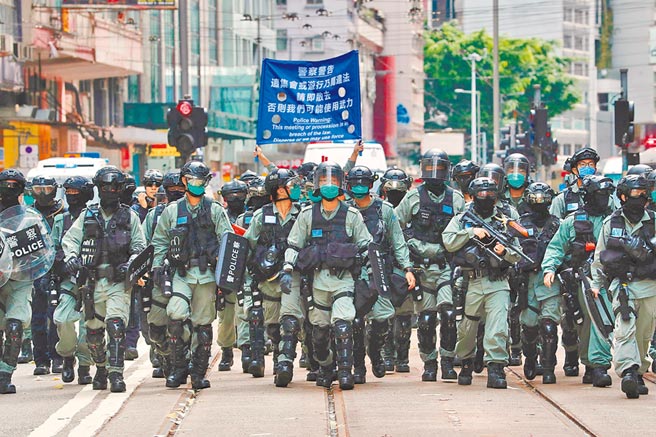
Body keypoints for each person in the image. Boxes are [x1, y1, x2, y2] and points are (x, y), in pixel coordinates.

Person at [284, 161, 372, 390]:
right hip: (317, 282)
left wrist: (371, 275)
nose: (329, 185)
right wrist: (287, 270)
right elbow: (294, 245)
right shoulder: (306, 216)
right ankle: (325, 367)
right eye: (324, 181)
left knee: (343, 325)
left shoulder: (352, 216)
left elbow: (366, 246)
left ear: (341, 185)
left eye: (334, 181)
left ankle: (345, 372)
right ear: (316, 185)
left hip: (344, 280)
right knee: (319, 333)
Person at [61, 166, 147, 393]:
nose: (110, 191)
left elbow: (140, 246)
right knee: (93, 332)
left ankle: (116, 374)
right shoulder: (87, 215)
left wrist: (132, 263)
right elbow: (70, 240)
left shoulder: (130, 216)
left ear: (120, 190)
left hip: (119, 282)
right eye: (105, 187)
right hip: (92, 283)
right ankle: (100, 367)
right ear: (98, 189)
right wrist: (70, 257)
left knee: (116, 325)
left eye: (114, 187)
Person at [151, 161, 232, 390]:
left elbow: (227, 242)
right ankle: (178, 368)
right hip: (181, 274)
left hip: (206, 276)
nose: (195, 184)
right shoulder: (172, 211)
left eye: (200, 181)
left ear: (206, 183)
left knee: (203, 326)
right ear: (184, 182)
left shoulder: (215, 210)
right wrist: (157, 268)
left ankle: (198, 373)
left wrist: (226, 278)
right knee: (175, 315)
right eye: (191, 180)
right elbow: (159, 242)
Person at [443, 177, 524, 389]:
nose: (486, 198)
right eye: (481, 194)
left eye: (490, 194)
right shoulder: (462, 219)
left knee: (498, 326)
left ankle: (496, 368)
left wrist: (504, 251)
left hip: (498, 281)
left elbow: (518, 253)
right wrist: (472, 232)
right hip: (472, 281)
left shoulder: (505, 220)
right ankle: (467, 362)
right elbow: (449, 241)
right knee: (467, 328)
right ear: (472, 195)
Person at [396, 149, 466, 381]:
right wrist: (408, 248)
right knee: (426, 320)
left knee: (447, 314)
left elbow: (465, 231)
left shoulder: (455, 199)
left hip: (446, 266)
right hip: (420, 269)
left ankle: (447, 361)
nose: (434, 172)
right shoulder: (413, 197)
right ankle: (429, 363)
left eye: (440, 167)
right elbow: (395, 226)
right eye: (430, 166)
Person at [542, 175, 615, 387]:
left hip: (609, 278)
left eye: (606, 195)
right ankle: (590, 364)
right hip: (581, 279)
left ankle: (600, 365)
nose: (603, 199)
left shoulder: (614, 219)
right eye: (598, 194)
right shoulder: (572, 221)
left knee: (601, 316)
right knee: (585, 323)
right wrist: (549, 269)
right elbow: (556, 247)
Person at [345, 165, 415, 384]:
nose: (359, 188)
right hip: (354, 273)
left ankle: (375, 354)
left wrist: (407, 269)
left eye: (363, 183)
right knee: (354, 321)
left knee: (382, 320)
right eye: (354, 184)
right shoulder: (344, 210)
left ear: (371, 184)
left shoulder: (385, 210)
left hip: (379, 272)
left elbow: (398, 242)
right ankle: (358, 366)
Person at [590, 174, 656, 399]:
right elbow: (599, 256)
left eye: (642, 194)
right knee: (625, 327)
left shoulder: (654, 221)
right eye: (634, 194)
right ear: (622, 196)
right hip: (623, 284)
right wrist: (596, 284)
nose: (638, 199)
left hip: (650, 286)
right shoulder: (611, 223)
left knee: (644, 334)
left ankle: (638, 371)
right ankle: (628, 371)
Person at [242, 168, 304, 386]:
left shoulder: (303, 213)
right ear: (279, 190)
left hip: (292, 275)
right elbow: (247, 246)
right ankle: (278, 357)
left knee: (290, 318)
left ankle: (286, 361)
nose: (296, 189)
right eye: (292, 185)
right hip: (267, 279)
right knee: (273, 324)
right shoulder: (261, 215)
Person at [514, 182, 561, 384]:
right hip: (528, 283)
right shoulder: (519, 224)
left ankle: (549, 367)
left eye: (543, 200)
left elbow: (565, 248)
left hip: (551, 281)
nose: (539, 204)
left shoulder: (558, 224)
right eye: (535, 200)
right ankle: (530, 358)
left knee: (549, 326)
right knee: (529, 326)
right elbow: (510, 249)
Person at [53, 176, 95, 385]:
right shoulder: (61, 220)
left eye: (75, 193)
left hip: (93, 281)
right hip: (69, 280)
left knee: (90, 326)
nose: (71, 197)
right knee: (63, 319)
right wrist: (64, 263)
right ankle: (67, 356)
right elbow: (52, 250)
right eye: (68, 193)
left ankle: (85, 365)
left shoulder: (95, 217)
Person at [143, 170, 185, 379]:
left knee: (185, 326)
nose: (176, 192)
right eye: (172, 190)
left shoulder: (195, 211)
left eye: (180, 189)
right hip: (159, 277)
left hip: (188, 274)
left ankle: (182, 364)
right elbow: (143, 247)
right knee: (156, 330)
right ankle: (164, 355)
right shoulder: (154, 216)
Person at [0, 169, 35, 394]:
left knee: (15, 326)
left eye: (14, 185)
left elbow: (41, 251)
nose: (9, 190)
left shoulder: (30, 219)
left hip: (20, 279)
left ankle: (5, 374)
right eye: (5, 185)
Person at [30, 176, 65, 376]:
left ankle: (58, 356)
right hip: (34, 270)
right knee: (38, 317)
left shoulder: (62, 213)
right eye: (38, 188)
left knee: (58, 316)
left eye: (47, 188)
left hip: (58, 269)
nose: (43, 192)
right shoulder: (28, 215)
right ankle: (41, 360)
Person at [550, 148, 605, 219]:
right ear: (575, 170)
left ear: (595, 169)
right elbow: (553, 225)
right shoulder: (562, 199)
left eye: (591, 164)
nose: (587, 168)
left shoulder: (605, 196)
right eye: (582, 164)